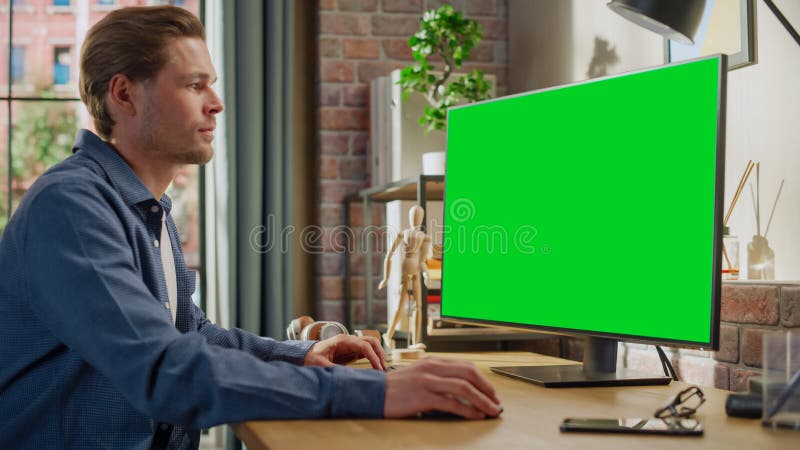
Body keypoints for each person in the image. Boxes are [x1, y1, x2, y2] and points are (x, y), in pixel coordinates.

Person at [0, 6, 501, 450]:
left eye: (211, 84)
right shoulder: (71, 207)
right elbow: (165, 369)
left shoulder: (145, 208)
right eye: (195, 85)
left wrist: (299, 355)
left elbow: (190, 334)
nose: (216, 103)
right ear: (125, 95)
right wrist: (379, 391)